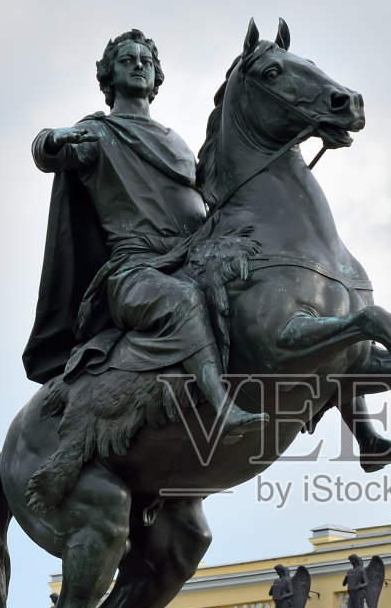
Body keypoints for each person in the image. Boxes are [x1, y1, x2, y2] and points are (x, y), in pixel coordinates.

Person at [23, 29, 265, 438]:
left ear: (156, 79)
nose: (139, 65)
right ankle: (223, 408)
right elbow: (48, 152)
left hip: (190, 257)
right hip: (135, 271)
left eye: (146, 61)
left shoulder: (179, 142)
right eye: (127, 60)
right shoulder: (98, 133)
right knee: (183, 301)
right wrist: (50, 140)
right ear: (107, 76)